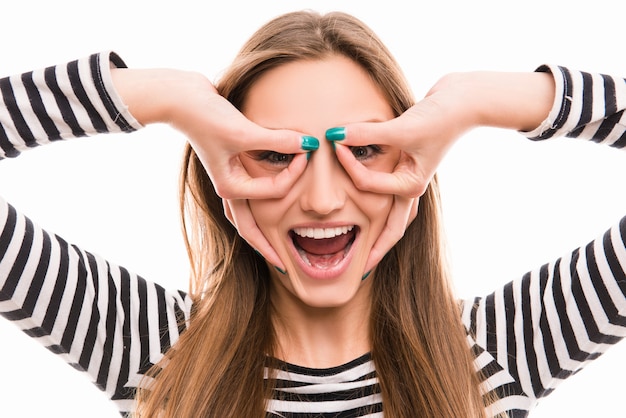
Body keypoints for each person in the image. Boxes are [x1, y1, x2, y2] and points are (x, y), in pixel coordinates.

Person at [1, 9, 625, 418]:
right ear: (225, 175)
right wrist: (163, 97)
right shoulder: (150, 345)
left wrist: (488, 101)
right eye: (274, 154)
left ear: (413, 167)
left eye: (365, 150)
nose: (323, 198)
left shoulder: (499, 348)